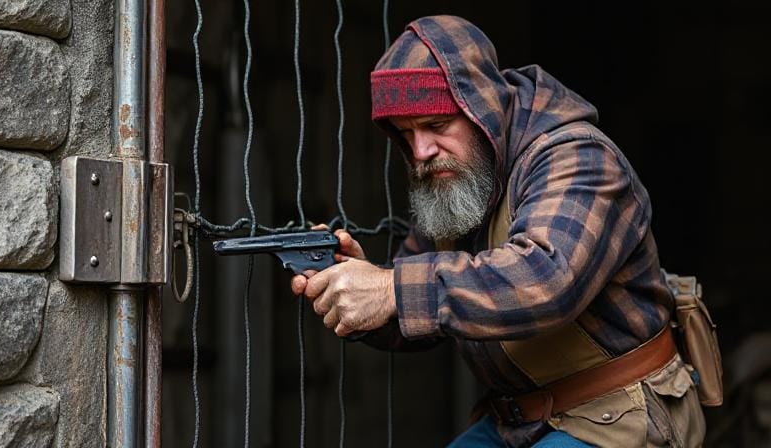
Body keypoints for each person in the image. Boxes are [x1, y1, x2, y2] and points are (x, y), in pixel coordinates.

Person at [291, 15, 706, 448]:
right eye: (405, 133)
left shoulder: (578, 157)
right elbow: (421, 313)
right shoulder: (457, 177)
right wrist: (355, 288)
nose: (421, 152)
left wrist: (391, 289)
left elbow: (545, 281)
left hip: (621, 413)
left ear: (482, 108)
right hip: (519, 419)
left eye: (435, 125)